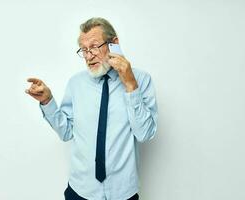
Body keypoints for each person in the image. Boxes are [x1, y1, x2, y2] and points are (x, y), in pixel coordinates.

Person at [25, 17, 158, 200]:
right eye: (84, 50)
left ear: (114, 44)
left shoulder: (141, 80)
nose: (88, 56)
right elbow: (66, 132)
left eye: (94, 47)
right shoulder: (76, 83)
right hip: (80, 191)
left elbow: (145, 134)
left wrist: (130, 84)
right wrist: (48, 101)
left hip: (123, 193)